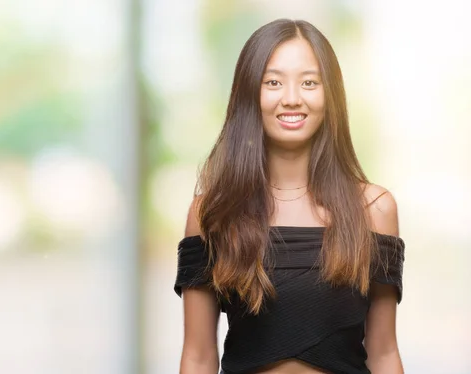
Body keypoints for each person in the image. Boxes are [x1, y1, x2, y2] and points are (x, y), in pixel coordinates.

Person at [173, 19, 405, 374]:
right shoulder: (212, 213)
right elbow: (198, 356)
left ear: (331, 95)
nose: (293, 98)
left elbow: (384, 353)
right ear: (250, 93)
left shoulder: (374, 209)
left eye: (309, 82)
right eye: (273, 82)